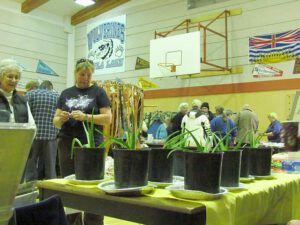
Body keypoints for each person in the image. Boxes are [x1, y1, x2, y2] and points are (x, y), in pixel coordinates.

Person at [53, 58, 112, 225]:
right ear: (75, 74)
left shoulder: (99, 92)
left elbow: (107, 119)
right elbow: (55, 122)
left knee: (92, 185)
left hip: (91, 144)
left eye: (88, 74)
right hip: (67, 142)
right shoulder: (65, 93)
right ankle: (72, 221)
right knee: (70, 184)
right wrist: (61, 118)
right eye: (82, 74)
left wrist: (86, 117)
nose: (85, 77)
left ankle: (93, 222)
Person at [24, 80, 59, 181]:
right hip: (51, 136)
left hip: (33, 135)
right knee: (51, 166)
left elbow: (24, 114)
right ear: (50, 87)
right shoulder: (57, 96)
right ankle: (51, 189)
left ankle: (31, 188)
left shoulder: (30, 94)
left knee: (30, 164)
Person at [0, 59, 35, 125]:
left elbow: (31, 125)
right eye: (10, 76)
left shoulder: (22, 100)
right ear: (0, 77)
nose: (14, 80)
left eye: (16, 77)